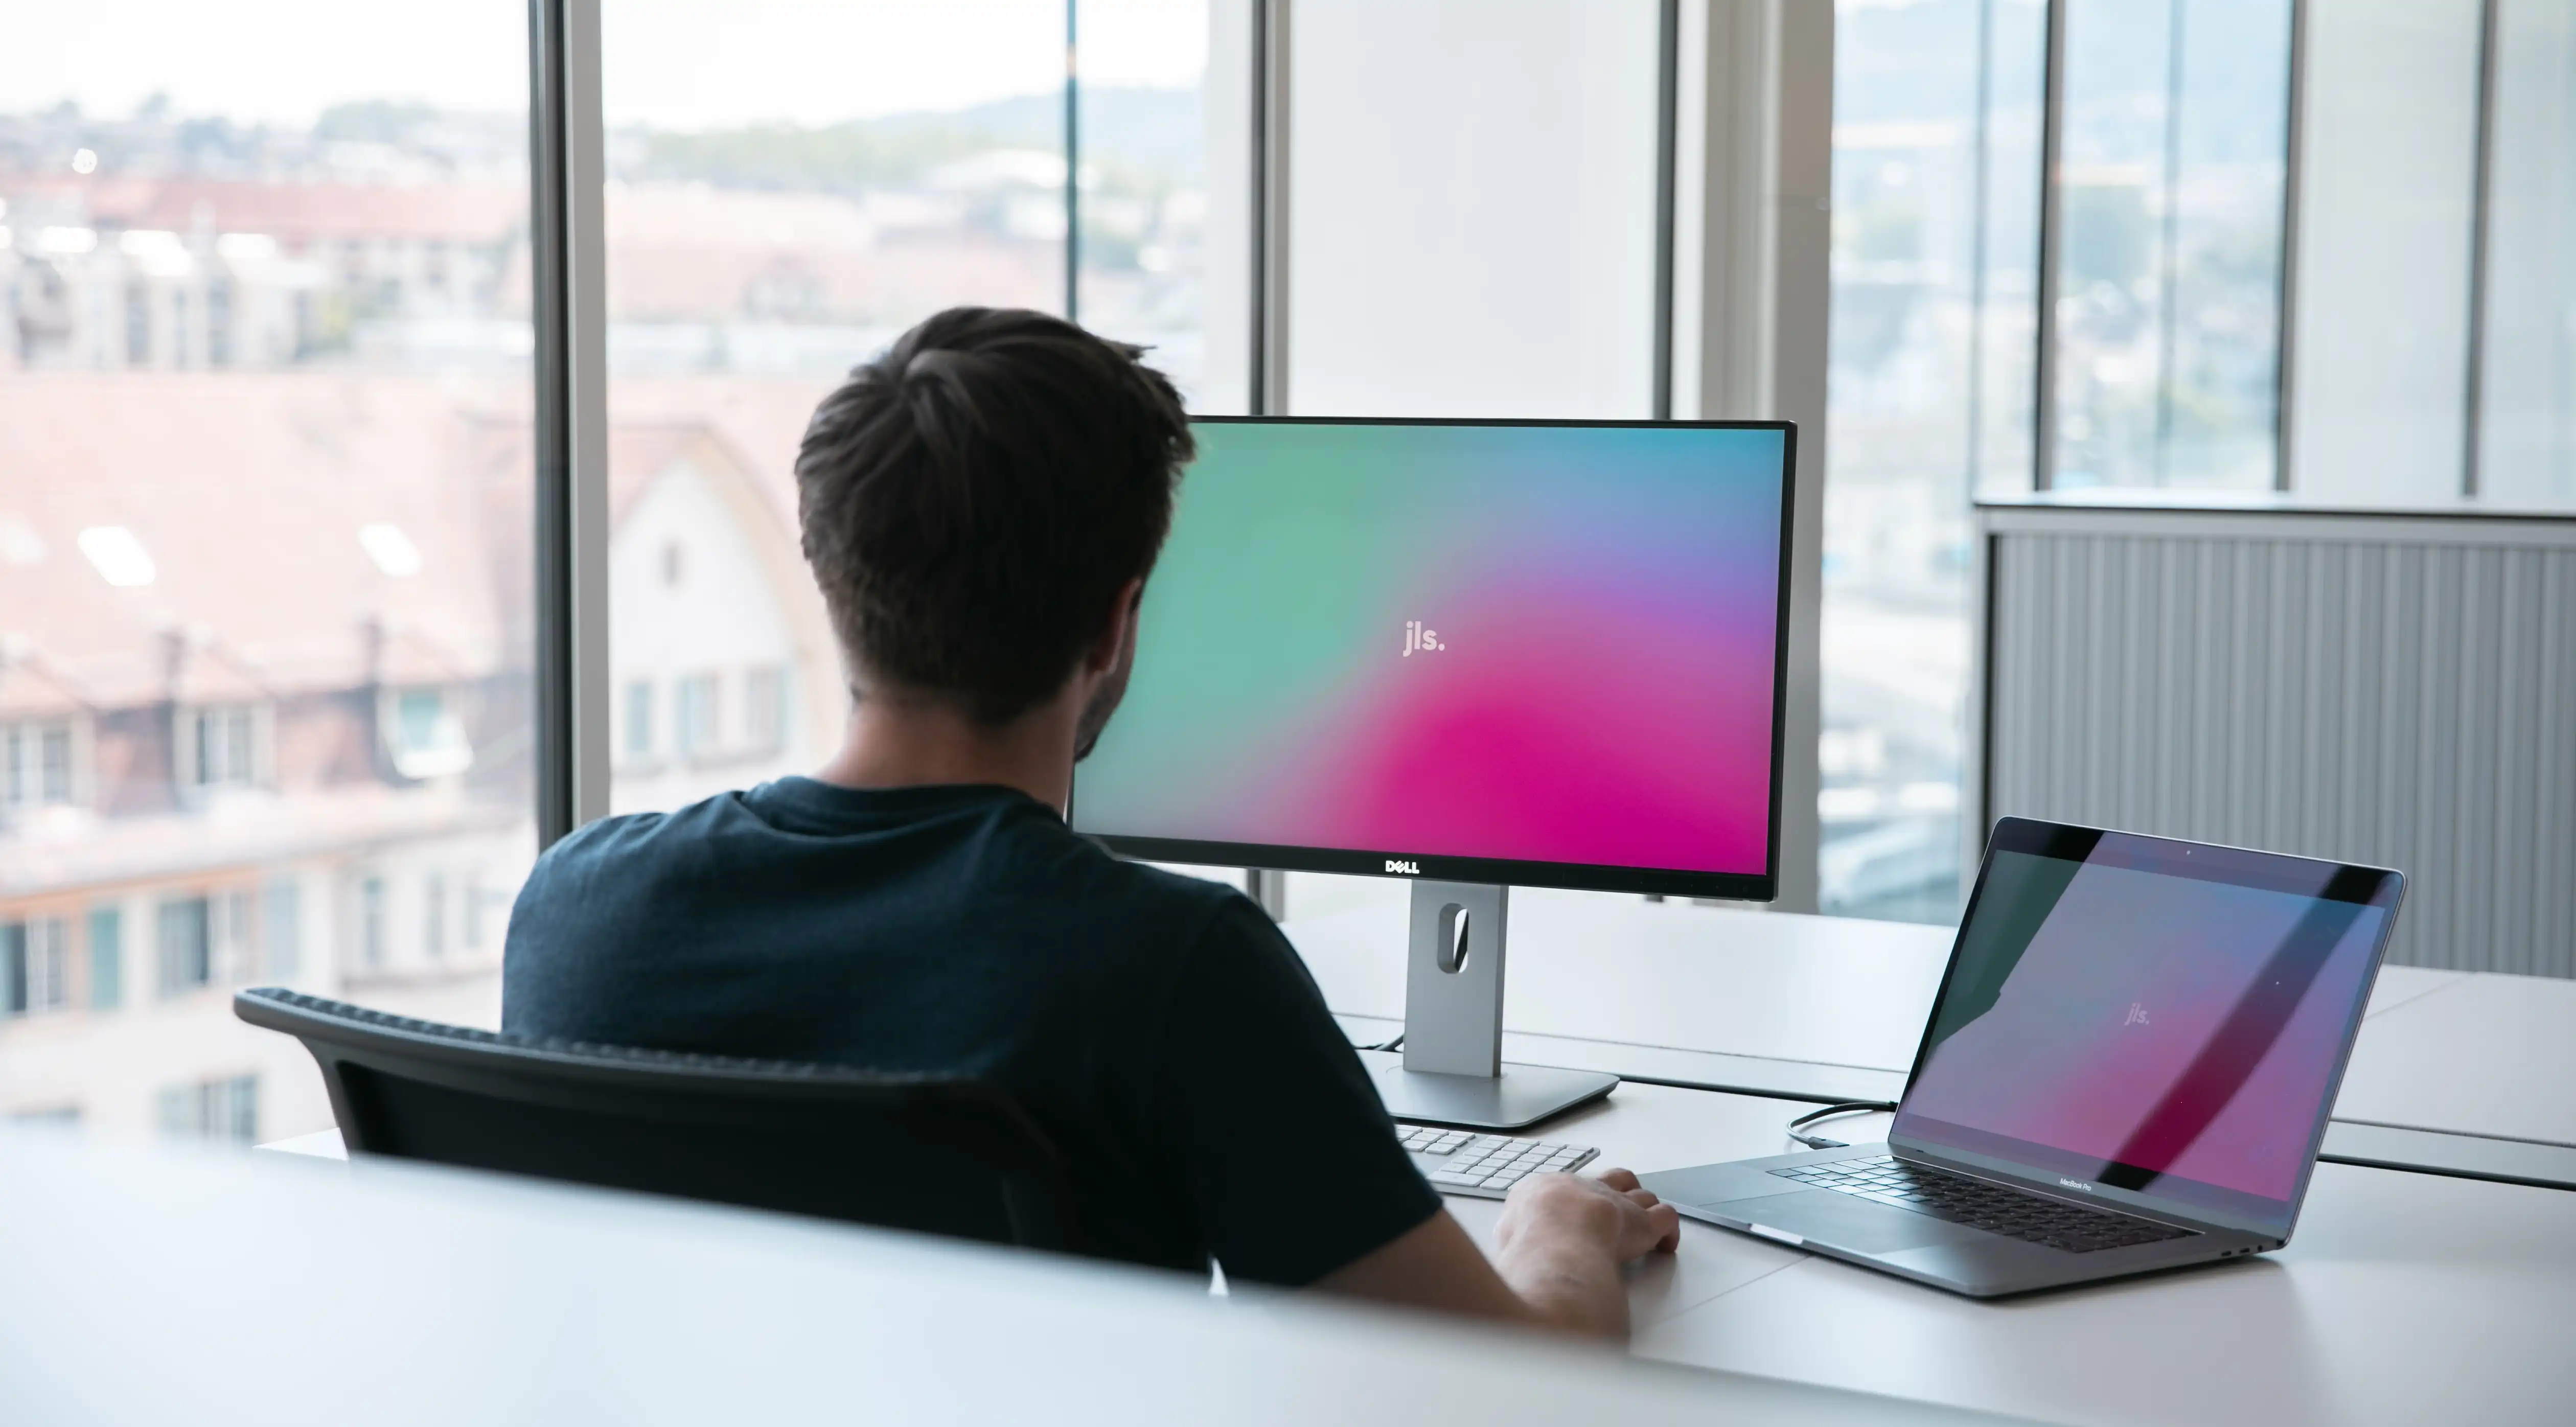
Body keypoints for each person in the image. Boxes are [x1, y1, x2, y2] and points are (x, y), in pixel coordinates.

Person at [502, 306, 1680, 1337]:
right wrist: (1556, 1223)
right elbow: (1501, 1395)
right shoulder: (1169, 969)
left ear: (834, 577)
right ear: (1118, 625)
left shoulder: (577, 905)